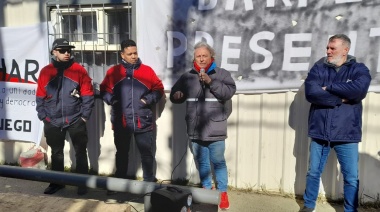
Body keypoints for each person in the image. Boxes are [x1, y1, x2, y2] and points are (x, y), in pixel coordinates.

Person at [300, 34, 372, 212]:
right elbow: (311, 93)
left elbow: (359, 90)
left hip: (347, 132)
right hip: (319, 131)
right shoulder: (318, 68)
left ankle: (350, 210)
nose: (328, 51)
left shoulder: (358, 69)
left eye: (333, 48)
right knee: (313, 172)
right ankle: (309, 206)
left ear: (345, 50)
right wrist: (342, 98)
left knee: (350, 177)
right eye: (327, 48)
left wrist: (330, 88)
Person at [169, 41, 236, 210]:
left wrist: (210, 81)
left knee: (218, 162)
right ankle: (207, 190)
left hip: (216, 130)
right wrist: (177, 96)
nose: (201, 59)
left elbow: (228, 92)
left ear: (211, 57)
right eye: (198, 56)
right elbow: (174, 95)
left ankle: (222, 194)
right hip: (195, 129)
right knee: (203, 163)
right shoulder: (187, 76)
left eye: (204, 56)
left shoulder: (222, 74)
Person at [100, 39, 164, 185]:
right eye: (130, 54)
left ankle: (148, 181)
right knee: (121, 153)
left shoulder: (147, 71)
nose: (134, 56)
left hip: (143, 120)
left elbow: (158, 89)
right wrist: (113, 100)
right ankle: (120, 182)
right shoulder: (113, 72)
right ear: (122, 55)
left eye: (135, 53)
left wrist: (147, 100)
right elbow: (104, 90)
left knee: (146, 154)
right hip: (121, 121)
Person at [36, 38, 95, 195]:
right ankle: (57, 183)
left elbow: (88, 94)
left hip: (76, 119)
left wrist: (84, 117)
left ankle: (82, 183)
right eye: (63, 50)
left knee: (80, 152)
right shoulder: (46, 71)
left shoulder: (79, 70)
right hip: (52, 120)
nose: (67, 53)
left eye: (69, 50)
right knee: (56, 152)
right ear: (54, 52)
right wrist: (43, 116)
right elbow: (40, 96)